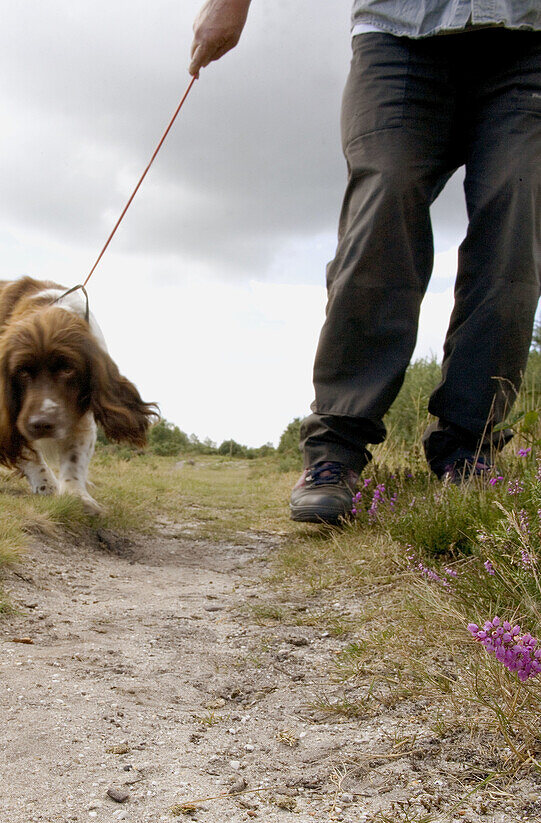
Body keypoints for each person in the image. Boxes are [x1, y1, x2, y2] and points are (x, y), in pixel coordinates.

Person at [190, 0, 541, 525]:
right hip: (399, 31)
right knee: (384, 198)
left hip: (528, 40)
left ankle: (469, 448)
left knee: (516, 226)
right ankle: (336, 447)